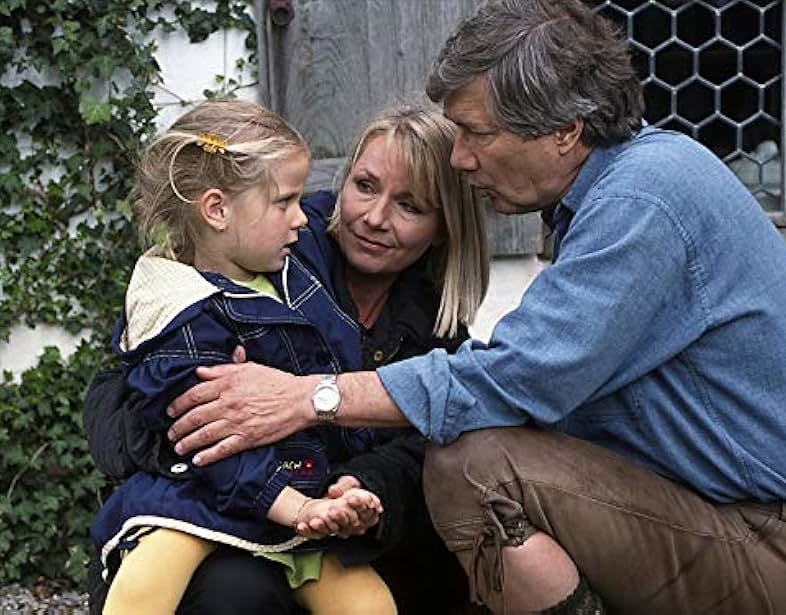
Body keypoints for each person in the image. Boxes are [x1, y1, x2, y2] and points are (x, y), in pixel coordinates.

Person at [163, 1, 786, 614]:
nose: (461, 158)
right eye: (363, 185)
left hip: (750, 536)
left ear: (565, 131)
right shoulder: (624, 189)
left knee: (471, 467)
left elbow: (518, 378)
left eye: (477, 133)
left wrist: (310, 398)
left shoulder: (642, 202)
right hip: (697, 508)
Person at [84, 105, 490, 614]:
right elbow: (120, 392)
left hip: (325, 522)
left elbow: (424, 447)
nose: (375, 217)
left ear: (444, 226)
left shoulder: (437, 328)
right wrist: (197, 434)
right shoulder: (272, 247)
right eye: (364, 185)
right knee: (234, 591)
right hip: (226, 500)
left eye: (409, 206)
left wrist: (360, 483)